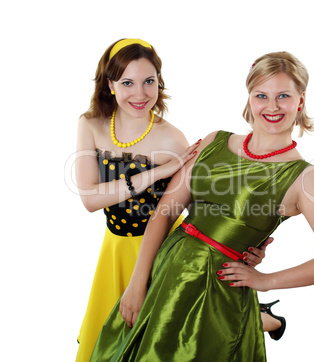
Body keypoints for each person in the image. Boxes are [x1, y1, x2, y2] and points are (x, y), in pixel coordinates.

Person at [75, 38, 274, 362]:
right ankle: (266, 316)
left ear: (159, 82)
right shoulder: (91, 124)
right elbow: (90, 198)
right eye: (127, 82)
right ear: (109, 84)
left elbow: (202, 209)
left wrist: (243, 247)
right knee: (110, 340)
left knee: (164, 338)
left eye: (149, 81)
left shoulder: (173, 138)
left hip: (165, 247)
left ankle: (267, 319)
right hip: (115, 249)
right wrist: (157, 172)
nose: (140, 94)